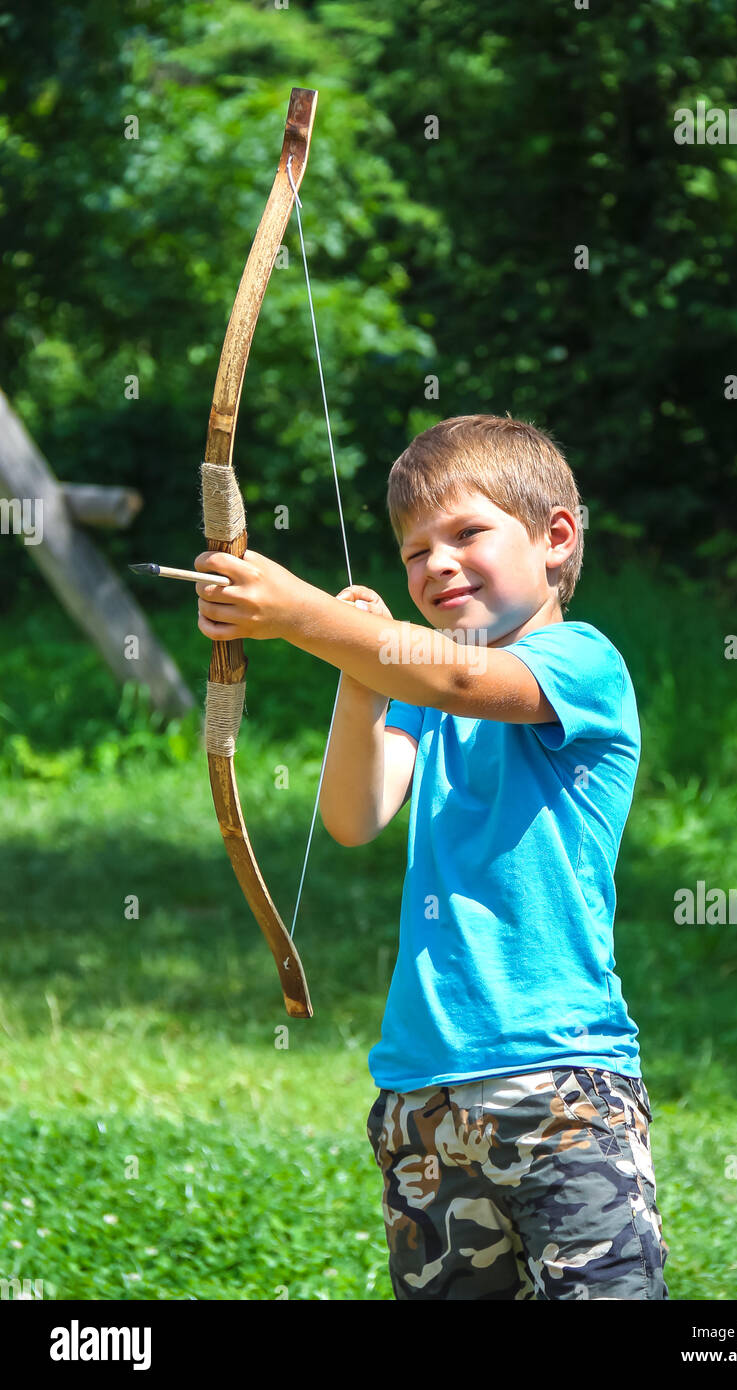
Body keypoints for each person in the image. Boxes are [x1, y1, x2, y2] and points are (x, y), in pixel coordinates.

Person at [196, 413, 669, 1300]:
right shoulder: (421, 688)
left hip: (562, 1089)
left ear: (554, 538)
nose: (435, 565)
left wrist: (301, 617)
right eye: (414, 552)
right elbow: (353, 813)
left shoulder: (579, 662)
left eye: (466, 533)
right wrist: (353, 666)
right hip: (423, 1099)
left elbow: (458, 678)